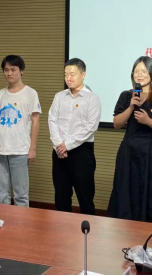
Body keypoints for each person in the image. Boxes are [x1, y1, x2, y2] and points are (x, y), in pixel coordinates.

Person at [108, 56, 152, 224]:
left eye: (144, 71)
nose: (139, 75)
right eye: (136, 71)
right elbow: (117, 124)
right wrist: (131, 107)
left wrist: (148, 121)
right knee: (126, 191)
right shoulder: (126, 96)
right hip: (129, 152)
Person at [49, 58, 101, 215]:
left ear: (83, 74)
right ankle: (62, 229)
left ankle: (88, 229)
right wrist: (59, 144)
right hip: (59, 152)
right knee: (61, 196)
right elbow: (52, 120)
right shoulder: (59, 96)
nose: (68, 78)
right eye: (66, 74)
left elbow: (90, 127)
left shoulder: (92, 98)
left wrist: (67, 145)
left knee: (85, 197)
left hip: (82, 152)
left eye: (72, 74)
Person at [0, 55, 41, 207]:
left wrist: (32, 148)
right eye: (6, 70)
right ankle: (3, 220)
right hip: (0, 150)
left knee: (21, 195)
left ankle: (21, 222)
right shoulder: (1, 94)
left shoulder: (30, 93)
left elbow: (36, 122)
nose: (9, 73)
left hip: (20, 150)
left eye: (13, 69)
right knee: (1, 193)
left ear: (21, 71)